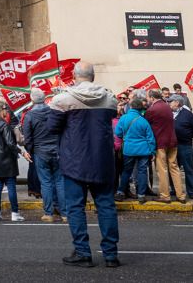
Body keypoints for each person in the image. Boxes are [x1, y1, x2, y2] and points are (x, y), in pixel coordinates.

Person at [50, 62, 121, 268]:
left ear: (74, 75)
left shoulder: (63, 99)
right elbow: (112, 117)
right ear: (93, 75)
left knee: (75, 207)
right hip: (102, 159)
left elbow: (52, 126)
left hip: (75, 159)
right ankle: (110, 254)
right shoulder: (109, 98)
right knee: (106, 206)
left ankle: (82, 251)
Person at [20, 87, 63, 222]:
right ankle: (65, 213)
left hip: (40, 151)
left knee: (46, 183)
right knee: (60, 182)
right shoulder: (53, 112)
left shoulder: (29, 116)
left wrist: (30, 150)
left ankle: (48, 213)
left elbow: (28, 138)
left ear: (32, 99)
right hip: (56, 149)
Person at [143, 89, 184, 203]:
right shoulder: (167, 107)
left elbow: (146, 124)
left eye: (148, 97)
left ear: (152, 97)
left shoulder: (152, 109)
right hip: (172, 141)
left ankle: (165, 195)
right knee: (174, 168)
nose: (147, 100)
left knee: (162, 169)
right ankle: (181, 195)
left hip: (161, 142)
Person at [112, 94, 154, 201]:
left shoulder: (124, 118)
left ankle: (120, 192)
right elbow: (150, 138)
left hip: (129, 149)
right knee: (142, 171)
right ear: (141, 108)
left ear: (131, 107)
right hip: (144, 150)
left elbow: (118, 133)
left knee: (127, 171)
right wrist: (152, 151)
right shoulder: (143, 121)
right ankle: (141, 195)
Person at [170, 95, 193, 200]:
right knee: (173, 169)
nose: (168, 103)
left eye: (171, 102)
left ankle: (191, 191)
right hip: (172, 146)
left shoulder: (187, 114)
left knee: (188, 169)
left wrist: (187, 136)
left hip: (185, 145)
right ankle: (174, 189)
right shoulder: (168, 114)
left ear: (177, 103)